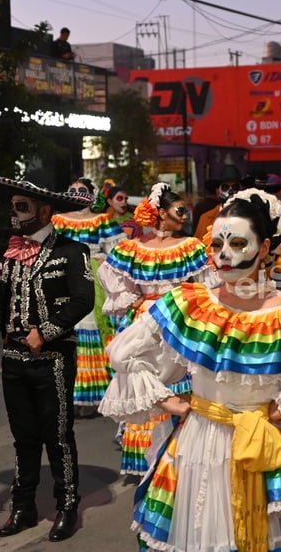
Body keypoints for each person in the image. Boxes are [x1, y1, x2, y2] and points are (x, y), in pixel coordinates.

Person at [98, 188, 281, 551]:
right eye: (217, 245)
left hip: (266, 445)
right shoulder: (190, 302)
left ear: (264, 248)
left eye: (236, 243)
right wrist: (168, 400)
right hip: (199, 440)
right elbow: (122, 351)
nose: (224, 255)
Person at [0, 175, 95, 542]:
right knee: (24, 438)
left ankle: (67, 506)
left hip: (53, 358)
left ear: (45, 210)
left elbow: (82, 300)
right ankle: (23, 508)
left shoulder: (73, 251)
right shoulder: (9, 253)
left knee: (57, 435)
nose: (15, 213)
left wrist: (46, 330)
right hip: (13, 357)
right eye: (13, 206)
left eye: (22, 206)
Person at [98, 182, 214, 476]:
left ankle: (176, 459)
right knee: (144, 382)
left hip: (179, 324)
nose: (185, 215)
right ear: (161, 213)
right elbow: (109, 275)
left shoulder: (191, 247)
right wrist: (135, 300)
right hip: (143, 325)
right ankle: (145, 464)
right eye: (179, 209)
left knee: (177, 384)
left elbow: (208, 287)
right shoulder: (132, 248)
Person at [51, 178, 125, 417]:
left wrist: (102, 261)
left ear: (93, 196)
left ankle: (94, 395)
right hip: (62, 279)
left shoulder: (102, 220)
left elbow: (120, 250)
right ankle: (67, 396)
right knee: (64, 332)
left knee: (92, 329)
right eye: (72, 190)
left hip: (92, 279)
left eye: (82, 191)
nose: (76, 194)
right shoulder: (57, 221)